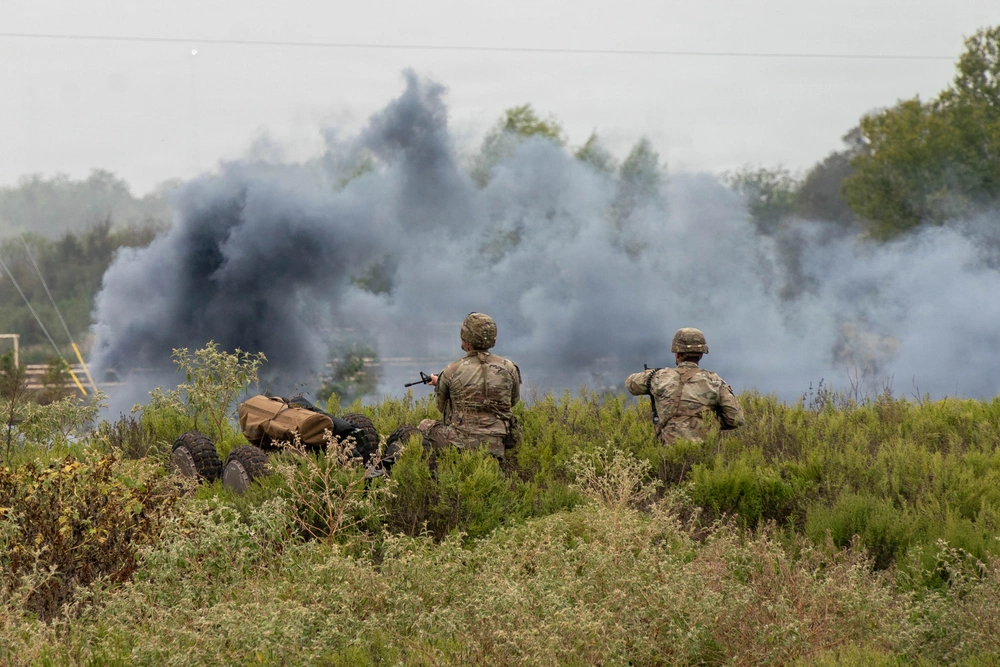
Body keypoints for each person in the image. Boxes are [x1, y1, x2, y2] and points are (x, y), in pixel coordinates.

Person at [417, 312, 522, 459]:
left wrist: (439, 384)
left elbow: (442, 408)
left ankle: (433, 467)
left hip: (461, 442)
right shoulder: (509, 368)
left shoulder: (451, 370)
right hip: (497, 443)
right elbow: (513, 401)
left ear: (466, 339)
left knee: (424, 426)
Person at [626, 327, 744, 446]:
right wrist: (708, 422)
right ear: (701, 355)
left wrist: (651, 374)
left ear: (677, 354)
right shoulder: (715, 381)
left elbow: (631, 384)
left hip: (666, 452)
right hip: (704, 452)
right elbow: (736, 419)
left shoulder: (659, 377)